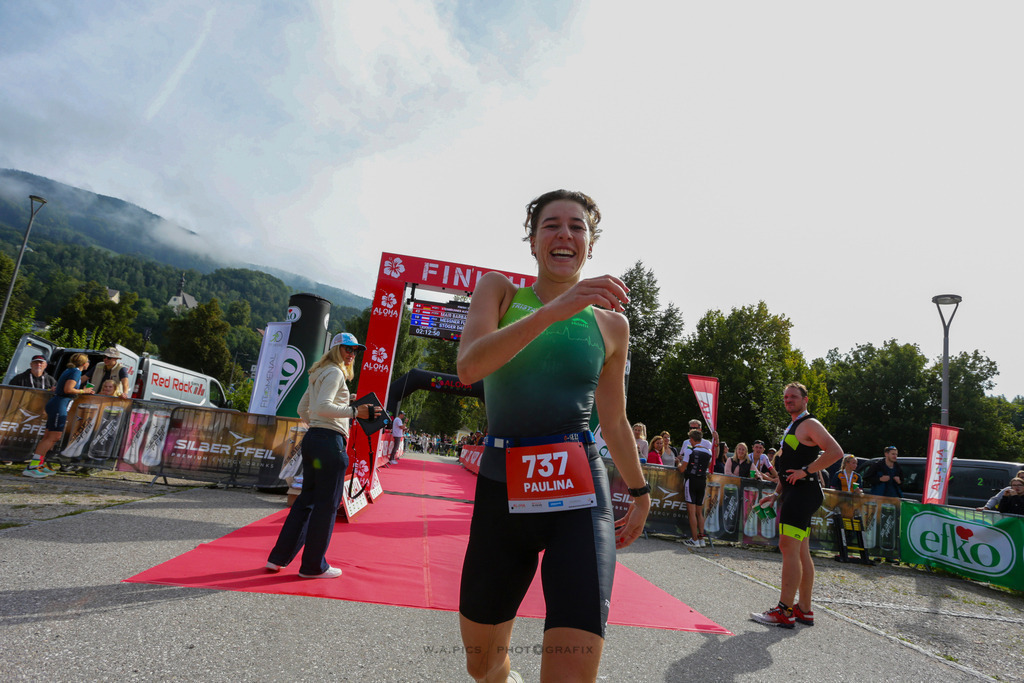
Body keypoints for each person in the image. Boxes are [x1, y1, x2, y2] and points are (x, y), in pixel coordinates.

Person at [456, 189, 649, 683]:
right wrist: (555, 311)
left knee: (570, 674)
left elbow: (614, 419)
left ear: (590, 243)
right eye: (551, 225)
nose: (565, 234)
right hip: (503, 494)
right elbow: (470, 366)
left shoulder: (612, 324)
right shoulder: (499, 292)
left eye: (577, 226)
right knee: (484, 667)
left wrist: (641, 489)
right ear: (533, 239)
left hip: (580, 500)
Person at [265, 332, 381, 579]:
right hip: (329, 444)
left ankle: (278, 558)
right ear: (336, 348)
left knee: (306, 500)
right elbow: (321, 407)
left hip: (314, 441)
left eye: (355, 350)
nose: (351, 354)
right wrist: (352, 412)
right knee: (326, 506)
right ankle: (313, 566)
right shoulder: (336, 372)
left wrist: (319, 423)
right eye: (347, 349)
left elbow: (303, 409)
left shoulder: (318, 373)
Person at [752, 382, 843, 629]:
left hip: (804, 493)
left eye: (793, 396)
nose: (788, 400)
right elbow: (786, 467)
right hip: (795, 492)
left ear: (805, 399)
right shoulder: (793, 425)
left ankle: (784, 610)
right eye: (785, 397)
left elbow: (836, 452)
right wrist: (776, 494)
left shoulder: (810, 424)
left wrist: (806, 471)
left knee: (787, 547)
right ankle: (804, 610)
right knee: (801, 551)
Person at [23, 353, 95, 478]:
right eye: (88, 361)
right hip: (59, 404)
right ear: (84, 363)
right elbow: (68, 389)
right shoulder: (75, 372)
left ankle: (38, 463)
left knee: (48, 436)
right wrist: (84, 391)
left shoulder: (70, 370)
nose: (89, 363)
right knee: (53, 437)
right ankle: (32, 466)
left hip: (58, 403)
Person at [677, 428, 713, 547]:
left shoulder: (690, 451)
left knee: (692, 512)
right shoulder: (708, 451)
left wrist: (678, 462)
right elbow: (707, 465)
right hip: (702, 481)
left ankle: (694, 540)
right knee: (699, 512)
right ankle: (701, 539)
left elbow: (682, 469)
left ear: (691, 439)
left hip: (691, 480)